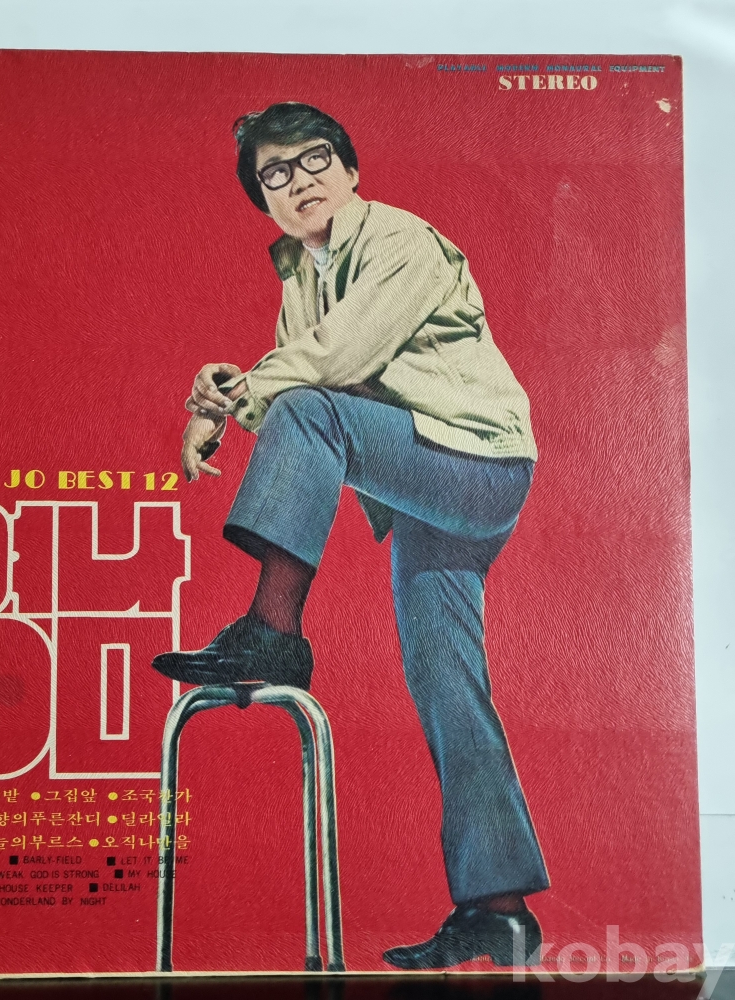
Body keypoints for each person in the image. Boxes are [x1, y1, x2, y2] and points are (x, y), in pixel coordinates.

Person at [151, 102, 549, 970]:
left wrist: (233, 398)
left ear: (349, 166)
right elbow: (298, 387)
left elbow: (331, 367)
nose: (299, 181)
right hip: (425, 490)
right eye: (276, 174)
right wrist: (222, 398)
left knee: (306, 408)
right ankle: (499, 910)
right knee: (448, 683)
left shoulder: (402, 240)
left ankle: (273, 630)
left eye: (314, 160)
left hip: (475, 465)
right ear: (263, 199)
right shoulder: (301, 273)